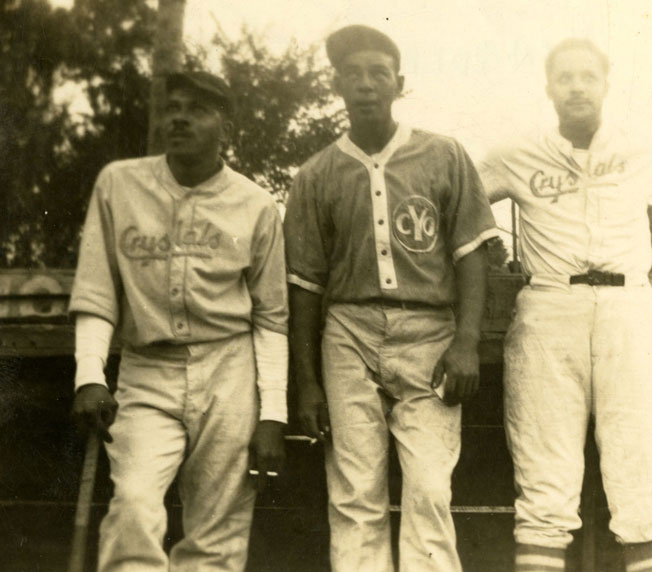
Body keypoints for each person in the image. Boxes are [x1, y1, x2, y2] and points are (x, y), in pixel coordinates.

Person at [478, 38, 652, 572]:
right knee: (544, 477)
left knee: (643, 471)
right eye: (565, 77)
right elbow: (459, 199)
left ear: (606, 84)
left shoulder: (639, 144)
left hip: (628, 307)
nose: (577, 86)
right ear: (548, 88)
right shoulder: (515, 151)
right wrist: (488, 248)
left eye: (587, 76)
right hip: (550, 305)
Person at [284, 25, 499, 572]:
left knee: (429, 488)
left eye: (378, 74)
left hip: (429, 333)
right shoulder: (316, 174)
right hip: (349, 332)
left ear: (398, 83)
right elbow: (305, 284)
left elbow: (472, 254)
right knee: (356, 492)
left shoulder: (443, 154)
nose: (365, 85)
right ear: (337, 85)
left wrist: (467, 342)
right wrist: (306, 381)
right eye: (352, 75)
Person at [69, 71, 289, 571]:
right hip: (148, 368)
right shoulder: (119, 184)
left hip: (229, 370)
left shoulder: (255, 205)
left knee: (219, 531)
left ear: (226, 130)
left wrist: (272, 413)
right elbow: (98, 291)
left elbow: (272, 317)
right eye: (173, 108)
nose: (180, 118)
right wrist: (88, 375)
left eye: (197, 109)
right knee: (133, 509)